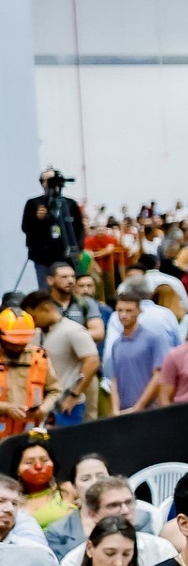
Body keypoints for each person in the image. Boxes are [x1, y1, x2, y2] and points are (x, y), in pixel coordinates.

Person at [22, 291, 98, 426]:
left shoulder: (73, 330)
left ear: (45, 309)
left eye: (33, 317)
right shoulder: (39, 334)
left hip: (68, 406)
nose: (33, 322)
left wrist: (74, 395)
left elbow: (92, 361)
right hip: (46, 406)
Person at [105, 293, 170, 414]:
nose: (123, 315)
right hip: (124, 412)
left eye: (129, 311)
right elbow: (114, 379)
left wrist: (138, 407)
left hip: (150, 410)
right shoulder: (117, 344)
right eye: (120, 310)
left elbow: (158, 375)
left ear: (139, 311)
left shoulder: (153, 338)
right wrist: (115, 409)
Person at [21, 169, 83, 290]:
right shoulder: (34, 203)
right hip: (43, 256)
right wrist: (38, 219)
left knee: (69, 286)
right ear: (42, 183)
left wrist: (78, 248)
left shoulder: (69, 204)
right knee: (46, 288)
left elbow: (79, 229)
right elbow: (26, 227)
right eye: (47, 180)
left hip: (66, 255)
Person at [0, 308, 51, 440]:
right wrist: (4, 408)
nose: (18, 347)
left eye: (22, 344)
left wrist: (44, 408)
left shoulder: (39, 358)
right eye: (12, 344)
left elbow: (55, 391)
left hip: (29, 436)